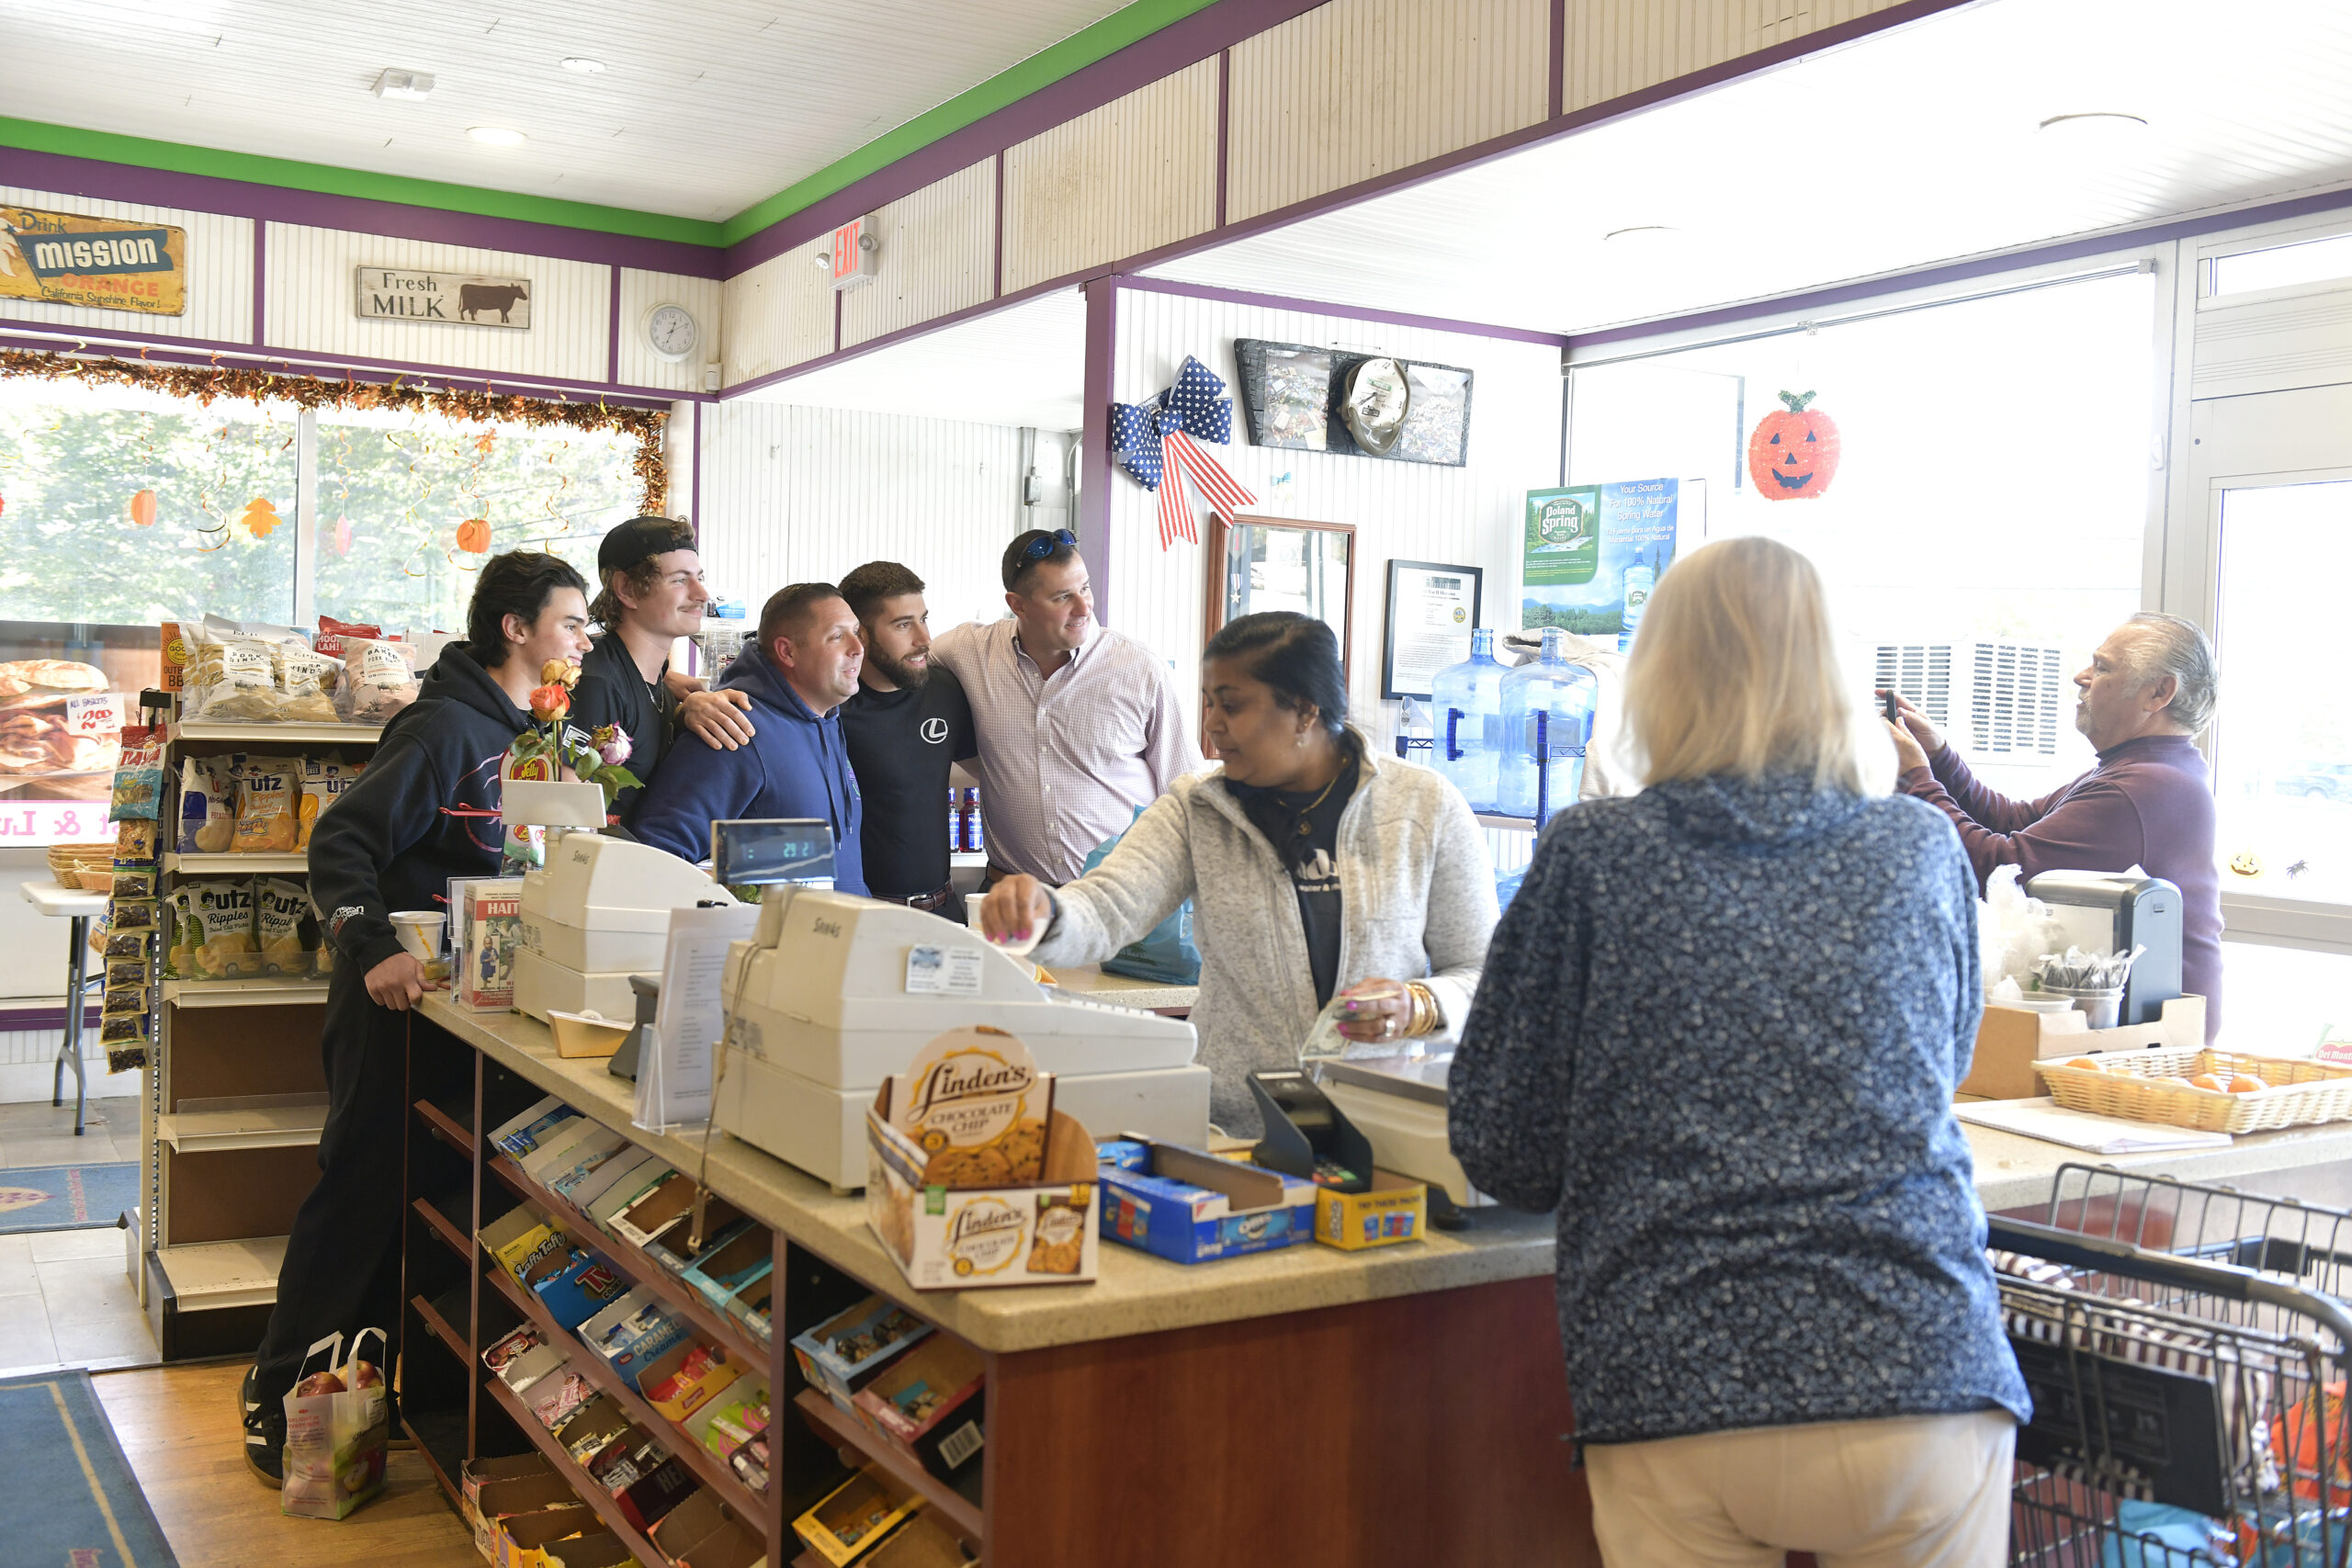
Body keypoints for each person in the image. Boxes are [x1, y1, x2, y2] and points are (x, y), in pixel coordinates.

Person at [1449, 536, 2027, 1566]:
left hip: (1675, 1375)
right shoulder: (1918, 846)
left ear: (1655, 679)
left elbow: (1506, 1149)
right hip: (1920, 1363)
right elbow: (1935, 1070)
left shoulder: (1593, 852)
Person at [243, 551, 594, 1483]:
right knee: (355, 1206)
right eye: (570, 622)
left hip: (467, 1017)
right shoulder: (442, 726)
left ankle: (368, 1402)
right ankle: (276, 1401)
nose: (582, 641)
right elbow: (340, 842)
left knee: (426, 1216)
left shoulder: (535, 731)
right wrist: (374, 952)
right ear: (515, 629)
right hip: (394, 1009)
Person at [980, 612, 1496, 1136]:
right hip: (1236, 1131)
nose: (1211, 725)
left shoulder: (1423, 807)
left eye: (1231, 705)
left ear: (1304, 711)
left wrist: (1420, 1005)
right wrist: (1045, 914)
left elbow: (1484, 972)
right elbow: (1109, 907)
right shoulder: (1197, 807)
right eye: (1208, 703)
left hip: (1386, 1128)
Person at [1886, 611, 2222, 1039]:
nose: (2082, 677)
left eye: (2103, 668)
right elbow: (2014, 822)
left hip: (2150, 1039)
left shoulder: (2142, 785)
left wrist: (1916, 777)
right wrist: (1937, 757)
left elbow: (2001, 869)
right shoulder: (2144, 768)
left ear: (2159, 692)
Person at [931, 528, 1197, 887]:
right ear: (1018, 605)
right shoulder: (970, 652)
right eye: (1062, 597)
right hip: (1011, 899)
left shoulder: (1142, 670)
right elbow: (905, 664)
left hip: (1121, 901)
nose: (1084, 607)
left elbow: (1189, 796)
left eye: (1085, 588)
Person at [629, 582, 867, 892]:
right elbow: (657, 856)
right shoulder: (735, 727)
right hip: (773, 940)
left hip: (839, 935)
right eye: (837, 636)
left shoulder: (827, 721)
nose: (858, 647)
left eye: (856, 632)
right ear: (787, 651)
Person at [568, 514, 757, 825]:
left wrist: (680, 713)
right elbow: (568, 818)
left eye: (699, 577)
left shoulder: (659, 684)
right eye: (680, 580)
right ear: (626, 589)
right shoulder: (596, 681)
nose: (702, 594)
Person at [837, 560, 977, 919]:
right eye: (903, 625)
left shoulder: (945, 690)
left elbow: (996, 773)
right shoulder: (832, 709)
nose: (924, 638)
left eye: (924, 619)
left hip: (944, 909)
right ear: (861, 634)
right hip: (864, 915)